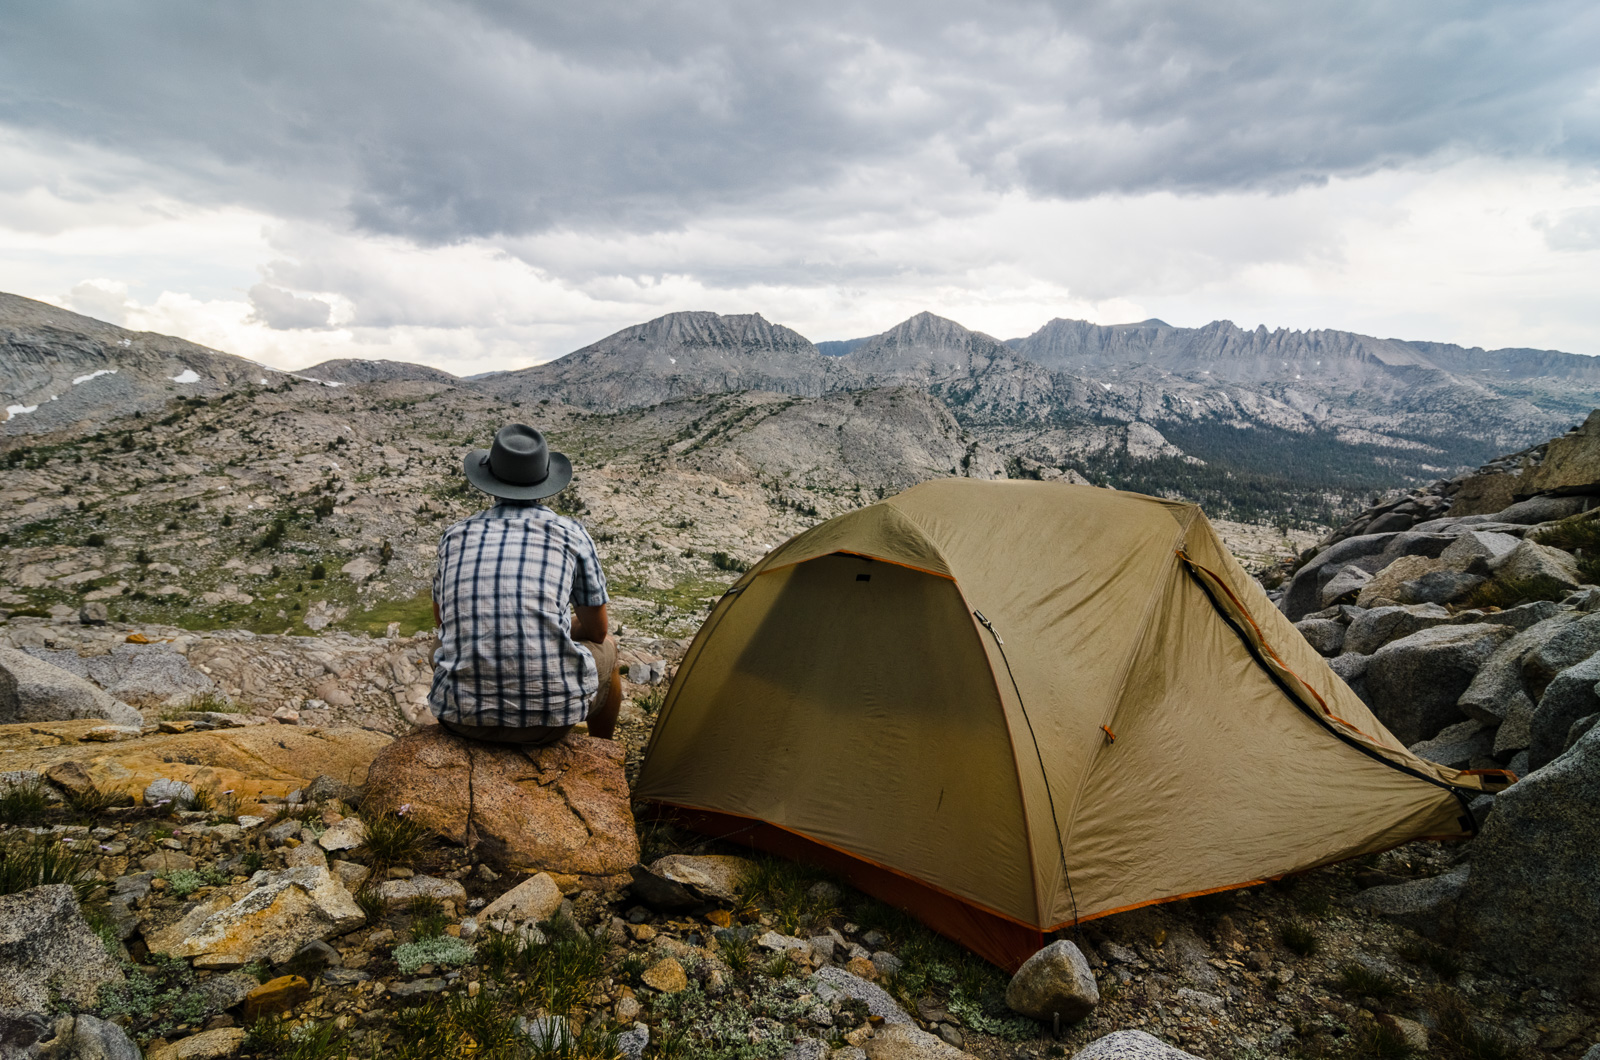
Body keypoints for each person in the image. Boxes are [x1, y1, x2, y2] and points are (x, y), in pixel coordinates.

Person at [428, 423, 621, 744]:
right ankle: (603, 748)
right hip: (551, 722)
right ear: (545, 481)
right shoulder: (572, 534)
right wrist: (559, 623)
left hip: (459, 720)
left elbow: (443, 622)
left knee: (439, 645)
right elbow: (598, 631)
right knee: (609, 648)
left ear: (489, 479)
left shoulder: (454, 535)